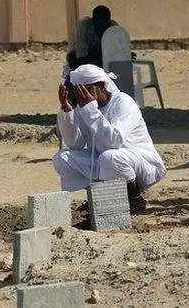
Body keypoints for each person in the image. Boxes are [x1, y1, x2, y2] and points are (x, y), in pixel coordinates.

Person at [52, 64, 166, 213]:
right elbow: (75, 144)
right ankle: (99, 198)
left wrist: (90, 111)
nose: (81, 96)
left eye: (85, 90)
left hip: (140, 163)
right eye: (77, 92)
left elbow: (114, 141)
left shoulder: (123, 102)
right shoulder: (85, 107)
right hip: (106, 161)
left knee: (110, 158)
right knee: (62, 158)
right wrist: (67, 111)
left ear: (101, 86)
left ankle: (134, 200)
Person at [67, 5, 118, 70]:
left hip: (105, 59)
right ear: (93, 21)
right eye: (100, 25)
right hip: (83, 59)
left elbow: (118, 51)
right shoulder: (83, 27)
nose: (102, 29)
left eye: (105, 25)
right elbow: (82, 54)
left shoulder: (114, 28)